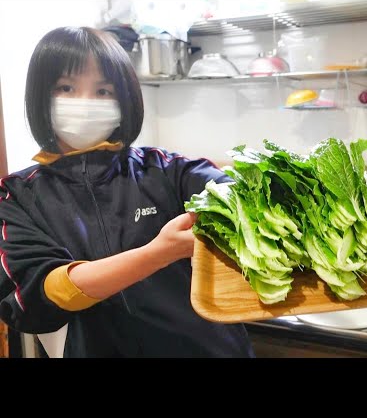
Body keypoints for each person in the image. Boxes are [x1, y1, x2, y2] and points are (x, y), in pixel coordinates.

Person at [0, 26, 255, 357]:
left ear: (123, 101)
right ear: (40, 97)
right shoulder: (18, 196)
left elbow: (236, 194)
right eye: (65, 88)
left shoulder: (165, 169)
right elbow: (43, 293)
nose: (85, 103)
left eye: (103, 91)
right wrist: (158, 253)